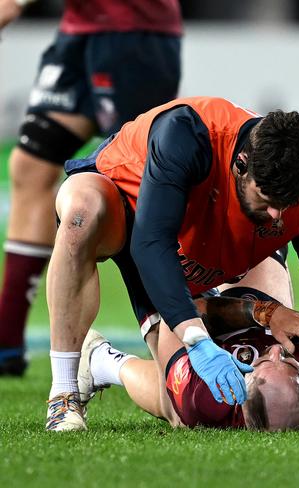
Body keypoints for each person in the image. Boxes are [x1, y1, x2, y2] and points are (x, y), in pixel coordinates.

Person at [45, 96, 299, 432]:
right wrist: (197, 339)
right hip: (136, 222)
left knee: (181, 408)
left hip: (221, 245)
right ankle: (63, 392)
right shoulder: (186, 135)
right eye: (268, 200)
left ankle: (101, 362)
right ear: (240, 165)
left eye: (288, 205)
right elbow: (151, 243)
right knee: (81, 216)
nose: (278, 216)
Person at [0, 0, 183, 376]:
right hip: (79, 28)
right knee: (30, 165)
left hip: (133, 30)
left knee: (141, 181)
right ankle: (6, 340)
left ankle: (182, 332)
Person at [77, 257, 299, 431]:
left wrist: (260, 313)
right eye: (290, 363)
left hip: (231, 331)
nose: (275, 350)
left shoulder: (206, 398)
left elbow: (180, 317)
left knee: (174, 406)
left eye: (260, 362)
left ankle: (101, 361)